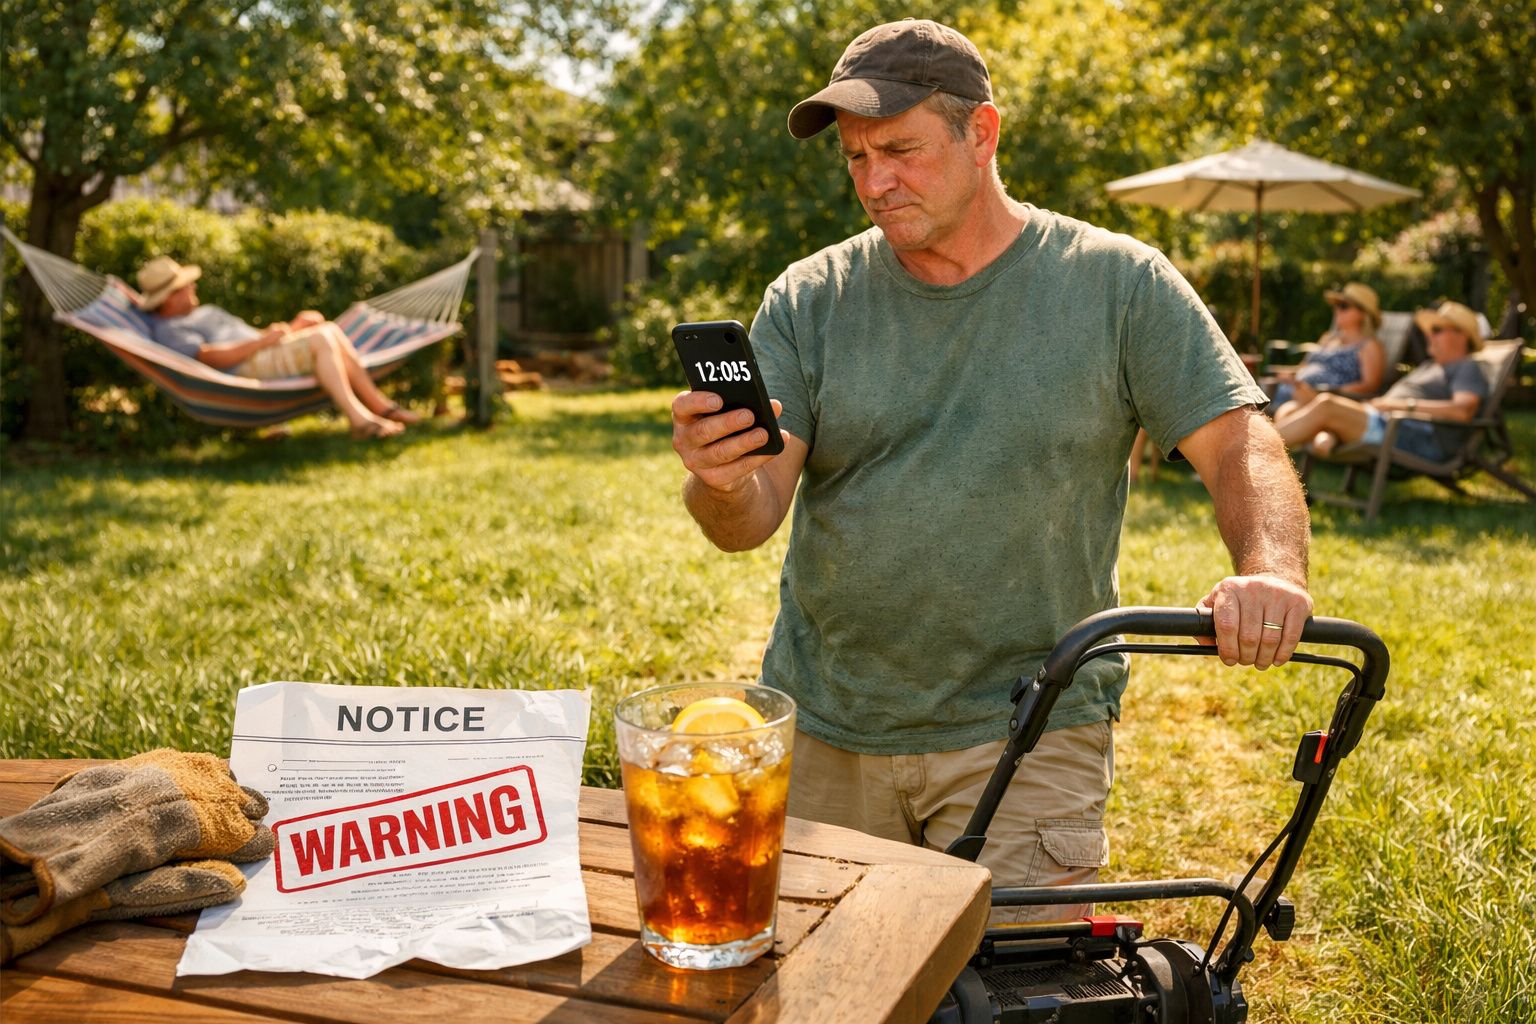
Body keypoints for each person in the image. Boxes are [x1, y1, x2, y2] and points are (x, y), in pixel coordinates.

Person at [668, 19, 1313, 920]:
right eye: (855, 158)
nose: (874, 182)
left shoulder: (1118, 285)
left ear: (983, 133)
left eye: (899, 149)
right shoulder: (810, 298)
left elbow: (1240, 443)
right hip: (831, 724)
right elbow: (748, 519)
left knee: (1011, 996)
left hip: (1030, 723)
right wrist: (721, 478)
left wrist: (1271, 573)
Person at [135, 256, 420, 438]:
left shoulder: (202, 312)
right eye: (185, 287)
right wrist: (264, 341)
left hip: (264, 351)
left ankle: (380, 408)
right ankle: (361, 419)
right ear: (168, 299)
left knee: (326, 328)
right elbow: (210, 358)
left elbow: (249, 336)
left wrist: (292, 328)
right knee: (322, 338)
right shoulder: (170, 328)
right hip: (247, 366)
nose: (192, 288)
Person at [1273, 300, 1487, 460]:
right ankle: (1288, 472)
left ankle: (1254, 457)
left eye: (1437, 330)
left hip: (1415, 435)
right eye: (1430, 330)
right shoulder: (1430, 366)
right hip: (1388, 422)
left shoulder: (1466, 367)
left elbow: (1462, 411)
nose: (1429, 335)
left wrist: (1397, 405)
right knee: (1292, 408)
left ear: (1462, 336)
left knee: (1327, 405)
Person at [1269, 282, 1387, 421]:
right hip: (1295, 392)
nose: (1337, 310)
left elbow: (1370, 385)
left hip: (1319, 402)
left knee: (1283, 412)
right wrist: (1292, 377)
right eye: (1336, 305)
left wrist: (1328, 391)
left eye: (1344, 306)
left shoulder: (1369, 346)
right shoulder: (1328, 338)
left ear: (1362, 313)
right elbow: (1305, 366)